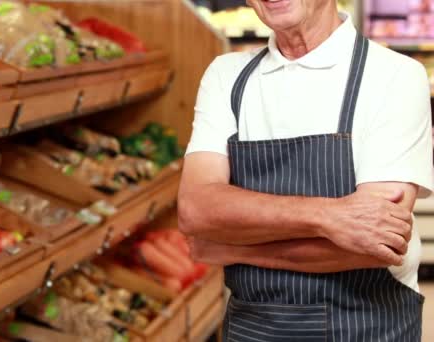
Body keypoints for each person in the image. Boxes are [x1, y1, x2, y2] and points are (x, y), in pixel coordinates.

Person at [178, 0, 434, 340]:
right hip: (253, 329)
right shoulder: (226, 76)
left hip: (367, 327)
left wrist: (232, 247)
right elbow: (196, 210)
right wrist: (328, 217)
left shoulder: (394, 75)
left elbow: (377, 245)